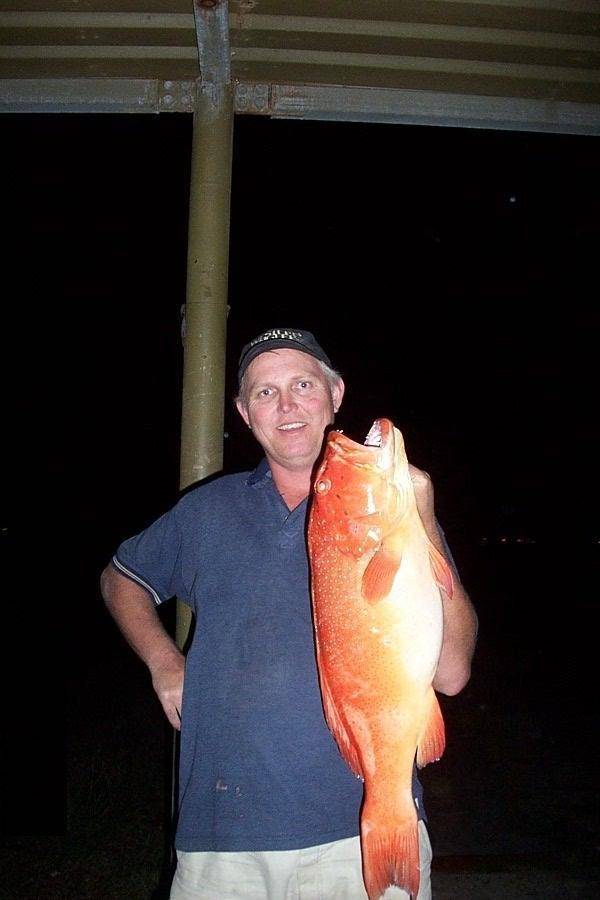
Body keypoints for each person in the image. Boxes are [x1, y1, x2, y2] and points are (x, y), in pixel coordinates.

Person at [101, 327, 478, 900]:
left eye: (303, 384)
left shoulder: (395, 517)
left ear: (335, 395)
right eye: (264, 392)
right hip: (222, 839)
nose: (286, 404)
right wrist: (163, 662)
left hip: (359, 828)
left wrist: (421, 519)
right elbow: (119, 579)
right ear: (243, 413)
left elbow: (450, 674)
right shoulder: (206, 511)